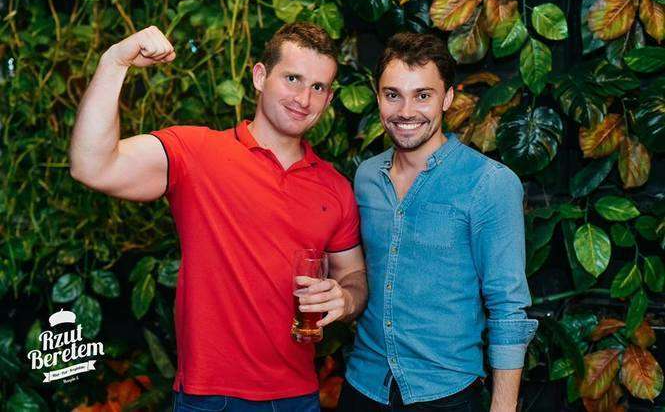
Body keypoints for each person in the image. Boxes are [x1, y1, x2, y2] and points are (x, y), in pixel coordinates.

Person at [69, 22, 367, 412]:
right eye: (292, 78)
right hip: (210, 397)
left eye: (318, 87)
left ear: (328, 99)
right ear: (260, 77)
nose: (303, 98)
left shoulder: (335, 188)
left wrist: (346, 297)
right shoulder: (196, 151)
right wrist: (114, 62)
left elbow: (353, 275)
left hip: (299, 397)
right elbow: (91, 166)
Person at [338, 32, 538, 412]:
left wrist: (503, 406)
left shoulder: (489, 183)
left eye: (423, 95)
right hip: (363, 386)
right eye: (393, 94)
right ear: (378, 97)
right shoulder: (366, 177)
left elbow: (508, 308)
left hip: (445, 395)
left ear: (447, 98)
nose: (406, 111)